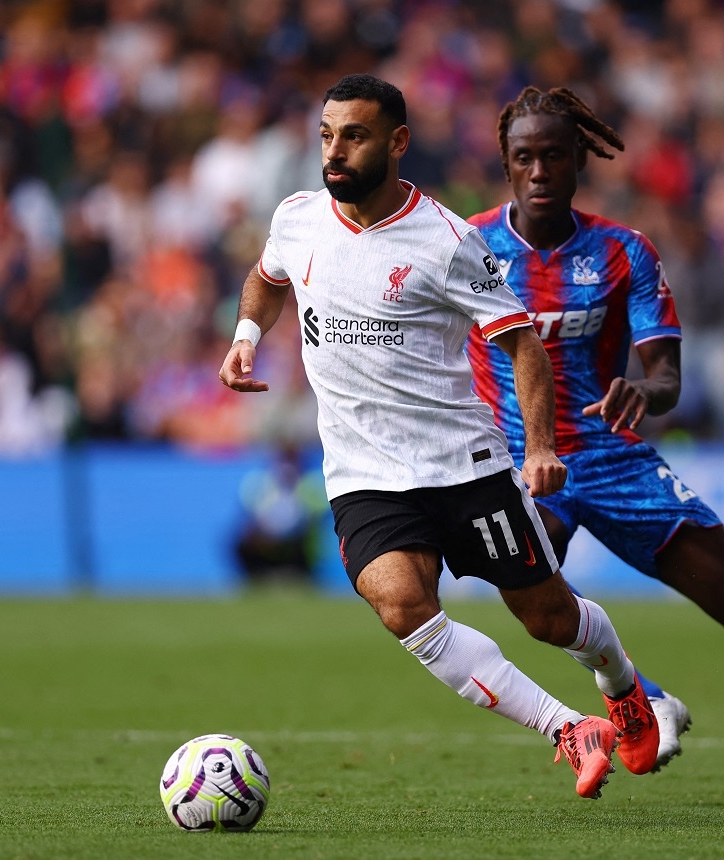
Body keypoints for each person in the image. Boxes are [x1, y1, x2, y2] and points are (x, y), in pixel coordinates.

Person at [218, 74, 660, 799]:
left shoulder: (447, 241)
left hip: (464, 466)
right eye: (327, 135)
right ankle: (566, 728)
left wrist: (541, 447)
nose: (335, 151)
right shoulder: (297, 218)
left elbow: (521, 345)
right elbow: (267, 279)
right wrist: (245, 336)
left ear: (396, 143)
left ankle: (620, 682)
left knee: (549, 618)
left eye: (354, 136)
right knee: (401, 606)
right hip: (363, 475)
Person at [466, 86, 724, 802]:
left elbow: (666, 374)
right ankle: (641, 692)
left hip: (613, 458)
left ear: (580, 159)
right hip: (520, 465)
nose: (539, 170)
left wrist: (647, 388)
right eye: (524, 158)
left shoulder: (622, 251)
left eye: (553, 155)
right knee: (531, 595)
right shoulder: (469, 249)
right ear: (507, 166)